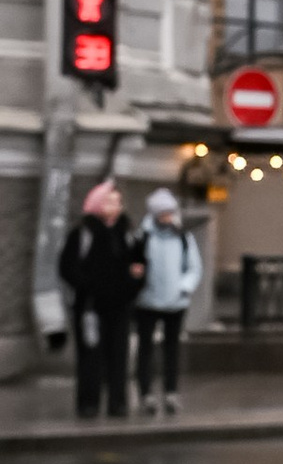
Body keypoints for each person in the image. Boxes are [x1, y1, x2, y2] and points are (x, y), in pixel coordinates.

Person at [58, 177, 143, 423]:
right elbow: (67, 267)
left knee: (118, 356)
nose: (114, 207)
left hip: (120, 306)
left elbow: (139, 265)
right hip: (90, 307)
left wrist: (133, 285)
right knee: (90, 357)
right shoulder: (83, 233)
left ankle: (118, 403)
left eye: (117, 202)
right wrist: (90, 287)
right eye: (109, 202)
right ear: (96, 204)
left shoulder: (127, 234)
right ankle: (88, 403)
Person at [133, 187, 202, 417]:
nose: (167, 217)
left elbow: (193, 267)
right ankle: (145, 394)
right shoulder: (142, 237)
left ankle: (171, 391)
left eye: (170, 212)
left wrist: (184, 288)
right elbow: (134, 264)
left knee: (172, 349)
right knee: (145, 348)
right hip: (147, 302)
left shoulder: (183, 237)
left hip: (175, 303)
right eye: (163, 213)